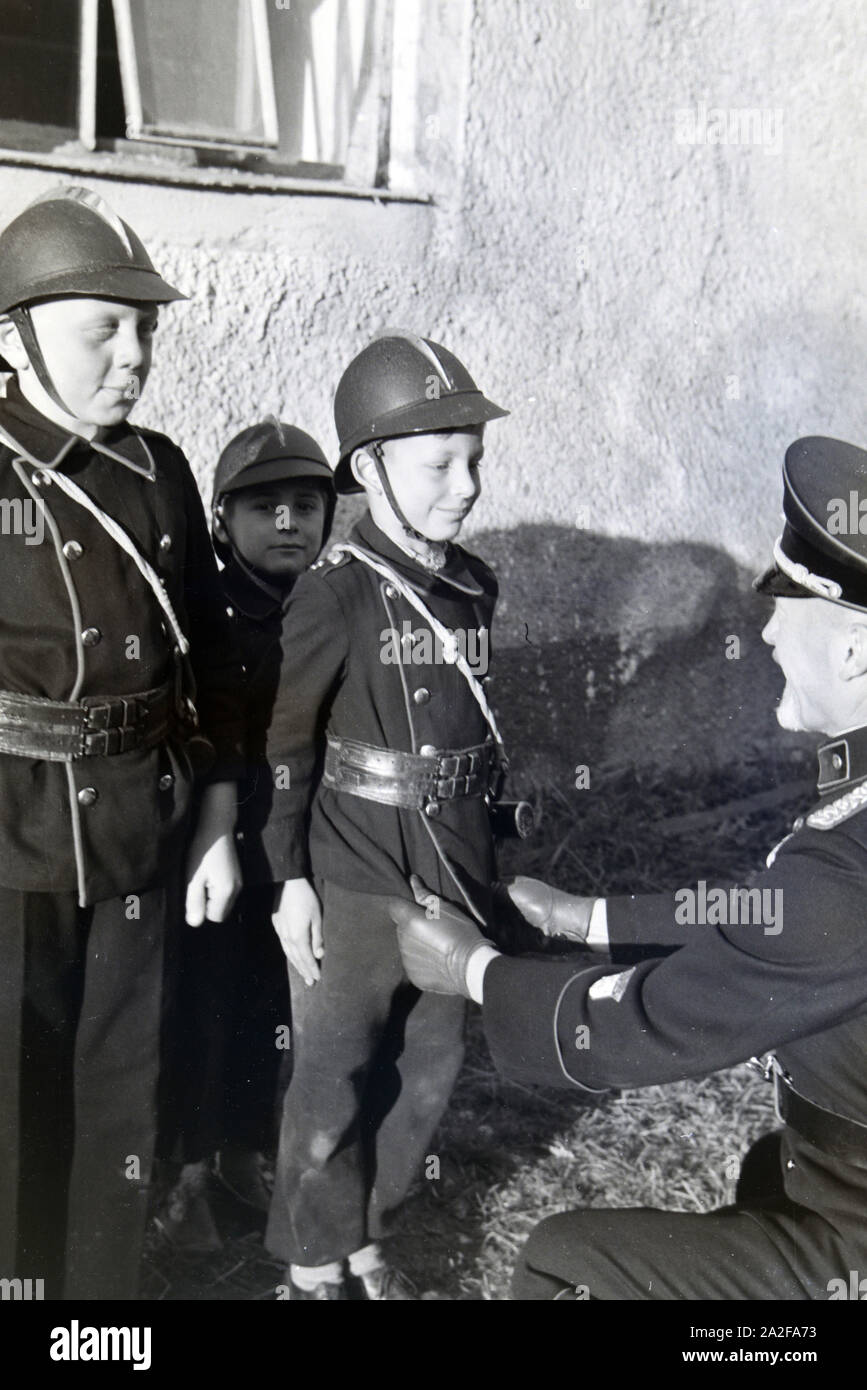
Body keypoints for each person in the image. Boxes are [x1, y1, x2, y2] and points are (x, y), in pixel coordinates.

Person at [391, 435, 867, 1301]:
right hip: (842, 1178)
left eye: (784, 608)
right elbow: (776, 919)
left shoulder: (843, 874)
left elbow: (649, 1022)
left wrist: (473, 971)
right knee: (766, 1175)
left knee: (563, 1258)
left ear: (851, 653)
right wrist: (591, 919)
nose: (762, 632)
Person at [0, 186, 244, 1300]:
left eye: (146, 327)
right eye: (103, 328)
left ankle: (95, 1316)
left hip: (147, 822)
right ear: (16, 335)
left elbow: (216, 665)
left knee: (121, 1092)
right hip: (13, 837)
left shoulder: (163, 472)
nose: (134, 355)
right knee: (14, 1092)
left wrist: (222, 819)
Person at [260, 330, 509, 1299]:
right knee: (332, 1071)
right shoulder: (334, 594)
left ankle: (369, 1231)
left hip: (449, 864)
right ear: (370, 469)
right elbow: (283, 746)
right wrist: (289, 880)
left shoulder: (474, 587)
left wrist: (499, 844)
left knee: (432, 1059)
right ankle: (313, 1261)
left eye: (476, 460)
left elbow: (477, 733)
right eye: (440, 462)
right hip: (356, 868)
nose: (467, 485)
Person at [158, 418, 335, 1250]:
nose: (289, 522)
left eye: (306, 504)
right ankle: (186, 1176)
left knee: (270, 1010)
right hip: (210, 853)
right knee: (202, 1008)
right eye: (265, 507)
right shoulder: (209, 611)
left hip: (293, 857)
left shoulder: (330, 609)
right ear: (222, 521)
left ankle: (242, 1151)